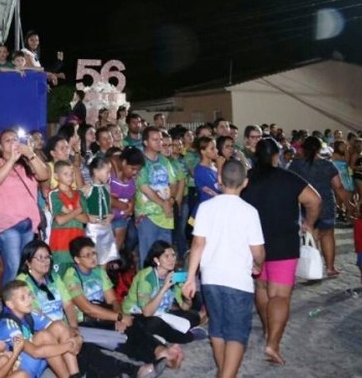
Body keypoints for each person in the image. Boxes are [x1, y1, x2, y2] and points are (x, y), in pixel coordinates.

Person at [240, 137, 321, 366]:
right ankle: (273, 343)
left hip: (254, 245)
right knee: (280, 295)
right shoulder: (288, 179)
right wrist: (309, 223)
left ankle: (267, 330)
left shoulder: (248, 180)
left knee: (262, 288)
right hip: (284, 244)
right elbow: (314, 200)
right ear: (276, 156)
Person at [183, 160, 265, 378]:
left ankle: (224, 373)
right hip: (238, 279)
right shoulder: (250, 212)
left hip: (210, 277)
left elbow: (197, 244)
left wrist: (191, 278)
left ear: (219, 181)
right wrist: (259, 264)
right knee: (237, 333)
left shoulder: (206, 208)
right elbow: (258, 250)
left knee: (217, 329)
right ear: (245, 182)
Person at [60, 237, 183, 369]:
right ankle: (156, 356)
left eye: (94, 253)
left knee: (132, 324)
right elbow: (87, 308)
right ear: (77, 260)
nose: (93, 258)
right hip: (82, 322)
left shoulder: (99, 271)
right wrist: (118, 317)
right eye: (87, 255)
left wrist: (119, 317)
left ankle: (160, 351)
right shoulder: (71, 276)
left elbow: (112, 300)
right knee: (123, 339)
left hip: (102, 316)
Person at [0, 129, 50, 290]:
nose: (13, 142)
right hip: (6, 224)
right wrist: (11, 161)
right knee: (13, 265)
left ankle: (22, 299)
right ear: (0, 147)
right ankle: (9, 304)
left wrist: (31, 155)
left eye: (15, 139)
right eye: (7, 140)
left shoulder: (26, 164)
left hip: (27, 223)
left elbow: (44, 175)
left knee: (24, 266)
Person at [288, 135, 352, 278]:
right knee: (328, 235)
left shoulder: (296, 165)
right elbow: (339, 187)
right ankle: (330, 268)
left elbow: (289, 185)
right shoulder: (328, 165)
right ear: (319, 148)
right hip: (327, 205)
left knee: (311, 235)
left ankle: (313, 270)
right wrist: (349, 205)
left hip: (306, 206)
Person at [0, 281, 80, 378]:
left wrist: (78, 338)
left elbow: (61, 328)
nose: (29, 300)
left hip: (30, 364)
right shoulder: (7, 325)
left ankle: (75, 374)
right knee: (44, 336)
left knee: (59, 325)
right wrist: (70, 345)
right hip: (18, 370)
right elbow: (35, 352)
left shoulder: (29, 313)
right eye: (23, 298)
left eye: (29, 295)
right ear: (10, 304)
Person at [122, 241, 203, 345]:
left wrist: (187, 298)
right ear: (157, 260)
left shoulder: (175, 276)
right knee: (154, 323)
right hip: (136, 314)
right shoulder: (146, 277)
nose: (172, 259)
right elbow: (147, 312)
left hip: (162, 313)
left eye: (173, 255)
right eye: (166, 256)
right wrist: (164, 287)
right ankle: (186, 336)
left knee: (194, 316)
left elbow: (184, 307)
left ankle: (160, 334)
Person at [134, 127, 179, 268]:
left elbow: (174, 183)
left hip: (165, 214)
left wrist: (170, 201)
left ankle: (164, 286)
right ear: (146, 142)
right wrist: (163, 203)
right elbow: (144, 187)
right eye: (155, 139)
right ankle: (146, 286)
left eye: (160, 139)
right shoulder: (140, 161)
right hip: (148, 214)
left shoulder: (165, 161)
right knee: (148, 253)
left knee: (166, 254)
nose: (159, 142)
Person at [49, 161, 88, 269]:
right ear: (56, 176)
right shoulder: (54, 194)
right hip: (60, 244)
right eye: (65, 174)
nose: (70, 177)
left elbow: (85, 219)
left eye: (71, 174)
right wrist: (77, 210)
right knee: (60, 279)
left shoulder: (79, 194)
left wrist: (69, 212)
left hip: (78, 242)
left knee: (75, 279)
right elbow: (60, 220)